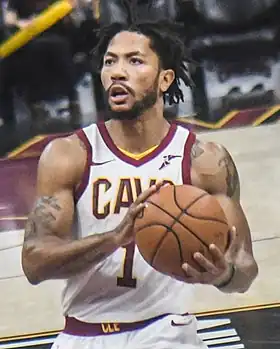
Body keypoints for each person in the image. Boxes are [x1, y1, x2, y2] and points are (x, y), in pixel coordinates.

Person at [21, 4, 258, 348]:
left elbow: (245, 268)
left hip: (166, 331)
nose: (117, 72)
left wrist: (224, 275)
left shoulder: (205, 160)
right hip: (82, 335)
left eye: (134, 61)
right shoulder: (69, 155)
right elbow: (34, 263)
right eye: (109, 62)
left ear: (165, 78)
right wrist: (114, 239)